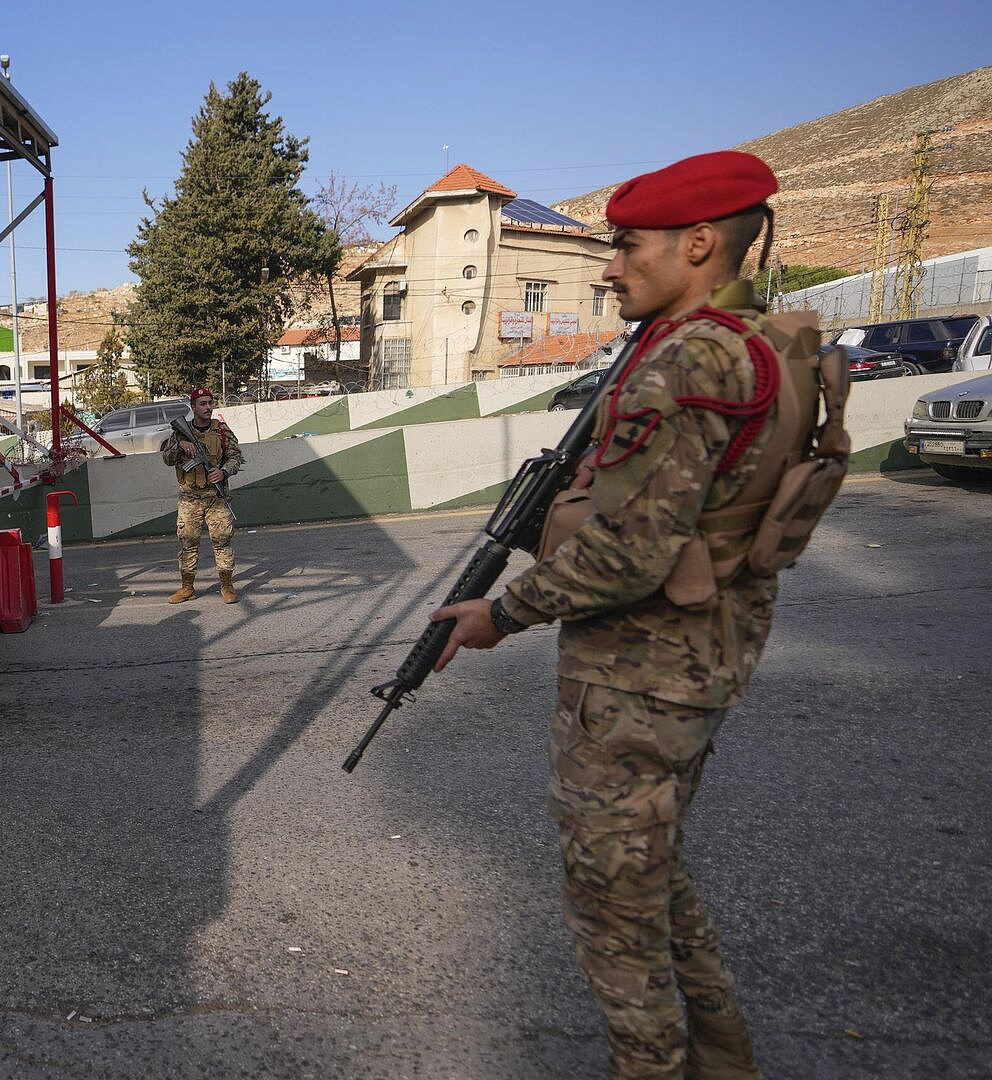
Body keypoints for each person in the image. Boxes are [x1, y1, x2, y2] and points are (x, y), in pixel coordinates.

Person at [432, 151, 803, 1078]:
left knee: (613, 914)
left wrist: (500, 612)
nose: (610, 267)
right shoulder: (766, 345)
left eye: (628, 247)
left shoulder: (684, 363)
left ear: (701, 245)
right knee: (656, 879)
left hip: (640, 680)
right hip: (702, 665)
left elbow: (630, 550)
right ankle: (726, 1061)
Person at [161, 387, 244, 604]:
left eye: (210, 403)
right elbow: (167, 458)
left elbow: (236, 457)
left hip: (215, 497)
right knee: (188, 543)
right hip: (190, 498)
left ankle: (227, 586)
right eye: (202, 404)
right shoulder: (180, 432)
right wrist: (180, 444)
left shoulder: (222, 431)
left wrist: (223, 471)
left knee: (222, 541)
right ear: (193, 407)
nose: (208, 407)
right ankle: (187, 588)